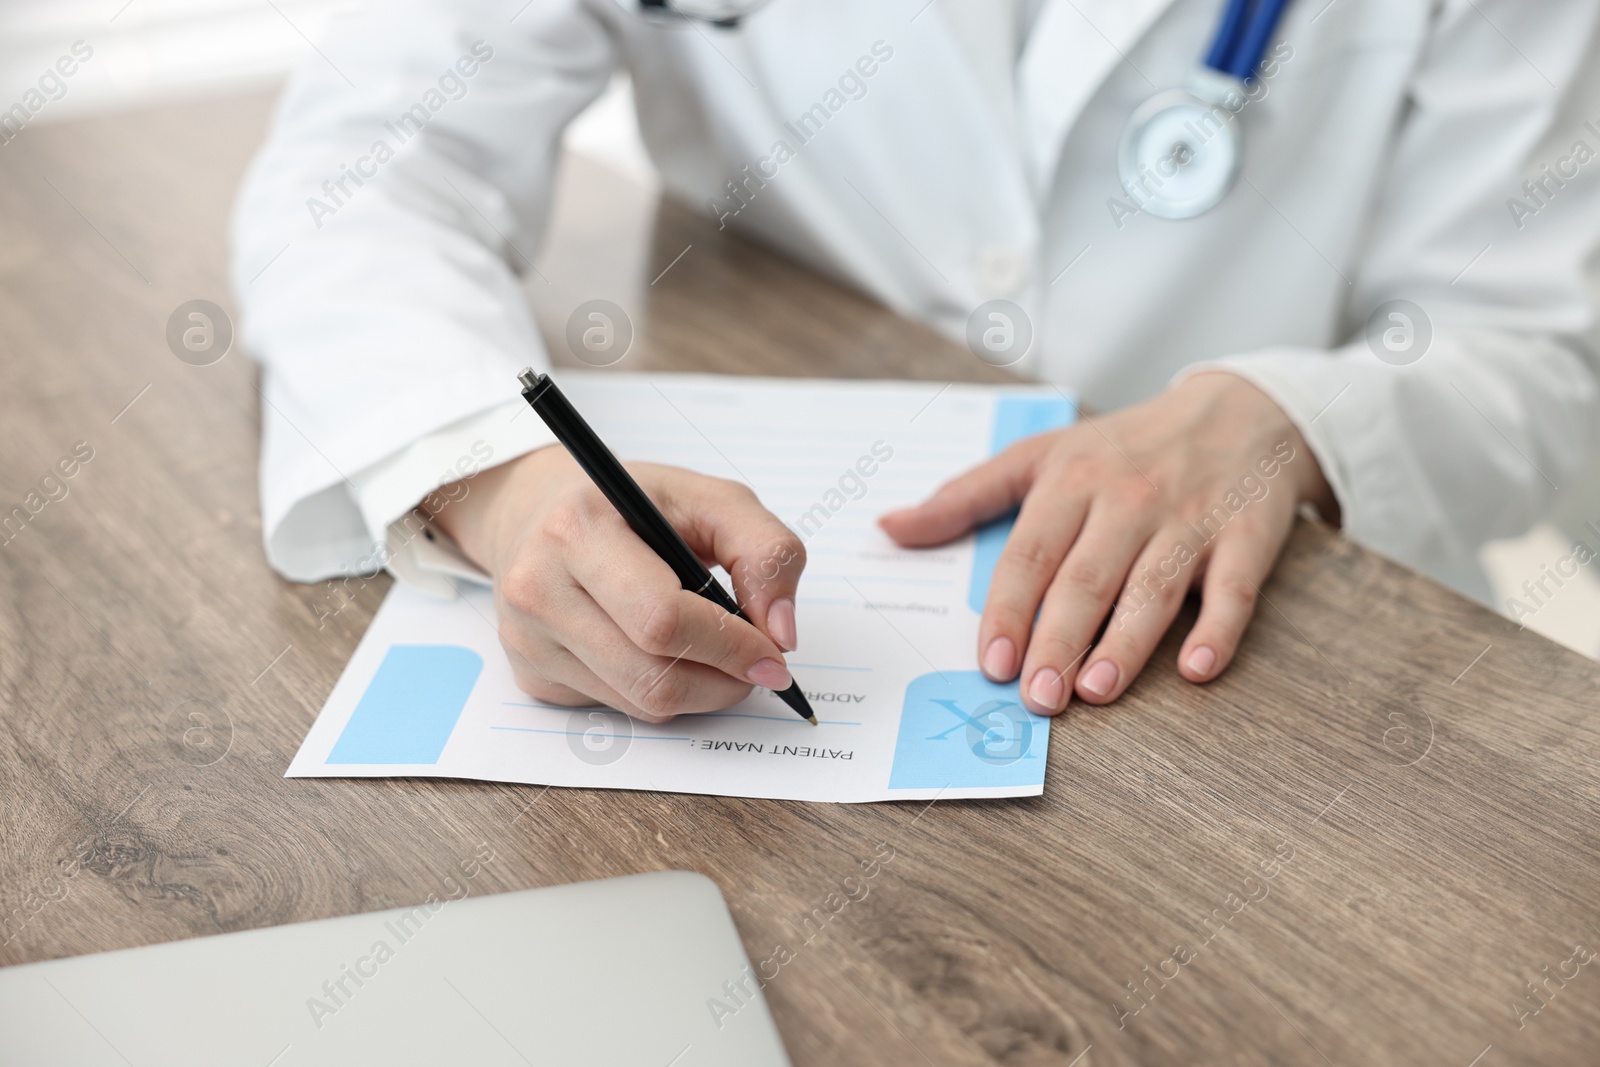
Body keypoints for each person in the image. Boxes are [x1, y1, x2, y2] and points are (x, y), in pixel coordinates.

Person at [231, 0, 1600, 720]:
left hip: (1278, 635)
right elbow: (363, 173)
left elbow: (1546, 345)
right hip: (802, 418)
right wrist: (492, 475)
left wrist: (1291, 417)